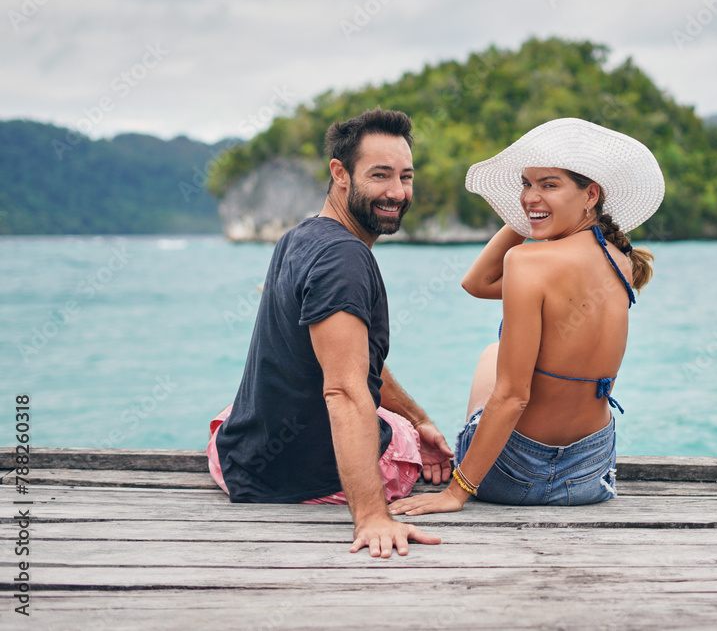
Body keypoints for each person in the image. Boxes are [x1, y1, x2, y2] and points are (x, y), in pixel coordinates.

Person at [206, 108, 453, 558]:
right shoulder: (344, 261)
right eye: (380, 175)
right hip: (291, 482)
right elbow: (344, 391)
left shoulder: (300, 236)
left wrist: (419, 418)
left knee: (399, 421)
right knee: (402, 440)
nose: (397, 192)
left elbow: (355, 360)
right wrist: (373, 517)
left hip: (234, 455)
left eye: (406, 176)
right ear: (340, 173)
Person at [390, 118, 663, 515]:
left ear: (591, 194)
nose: (530, 196)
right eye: (525, 184)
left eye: (548, 185)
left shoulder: (527, 262)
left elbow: (513, 396)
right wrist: (539, 212)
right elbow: (479, 283)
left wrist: (456, 492)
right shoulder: (620, 260)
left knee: (492, 353)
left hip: (513, 474)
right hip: (589, 474)